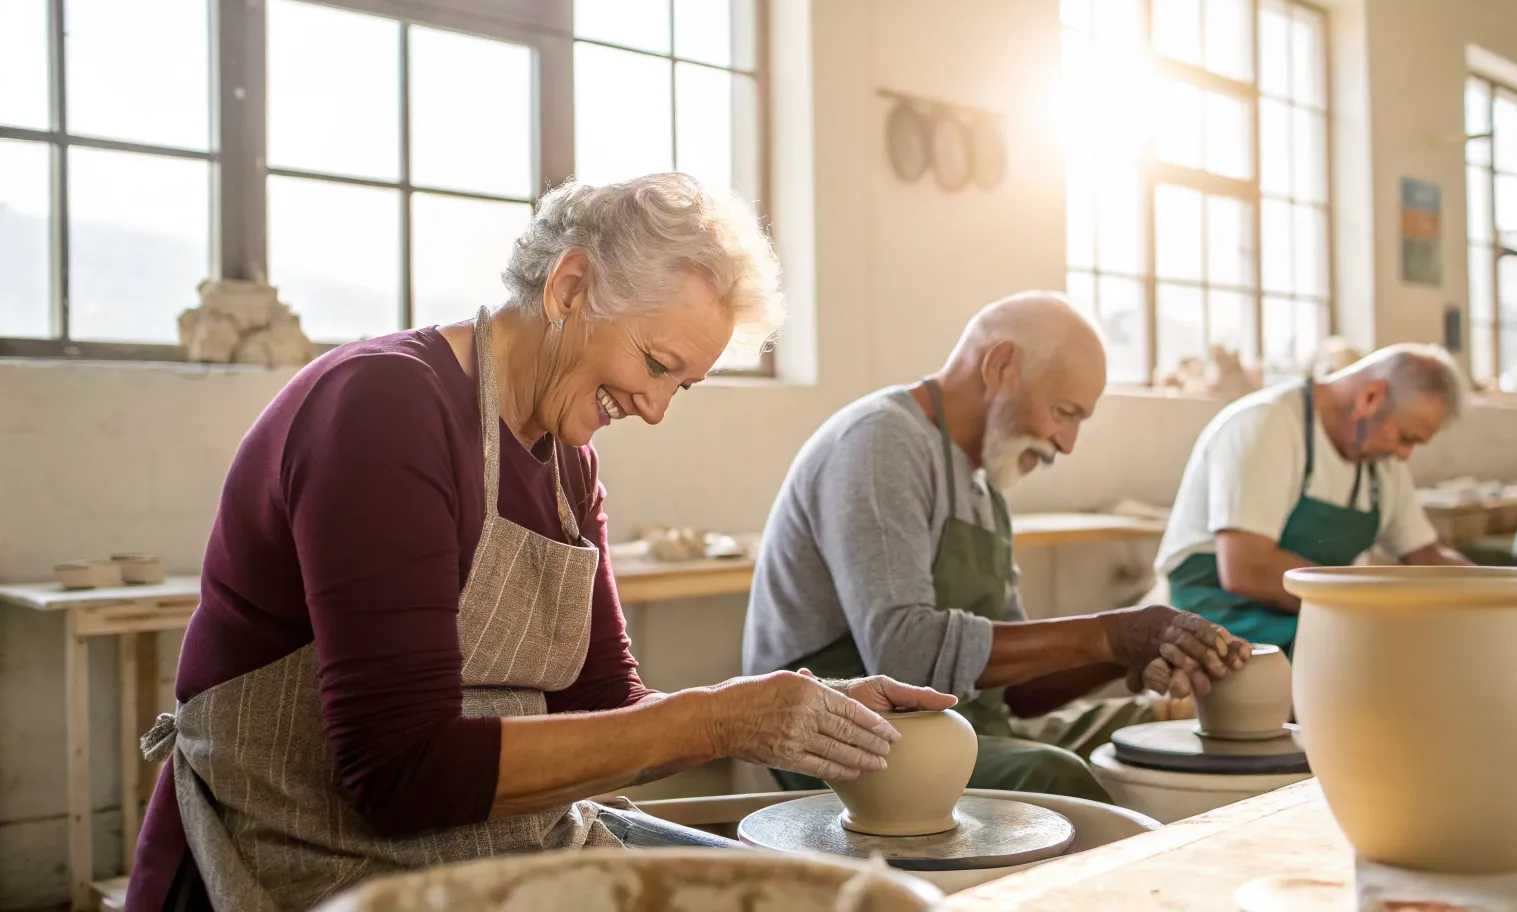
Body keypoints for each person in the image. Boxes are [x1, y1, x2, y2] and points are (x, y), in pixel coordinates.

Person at [128, 174, 956, 912]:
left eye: (684, 385)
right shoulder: (384, 408)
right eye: (657, 363)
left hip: (501, 843)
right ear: (569, 286)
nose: (658, 408)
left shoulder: (569, 465)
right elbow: (398, 775)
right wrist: (721, 724)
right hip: (311, 858)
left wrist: (806, 706)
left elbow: (605, 710)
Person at [742, 292, 1250, 802]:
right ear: (1001, 366)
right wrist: (1108, 635)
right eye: (1063, 412)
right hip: (848, 741)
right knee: (1054, 779)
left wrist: (1127, 655)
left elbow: (1017, 695)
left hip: (962, 727)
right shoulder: (880, 443)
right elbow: (905, 654)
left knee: (1170, 736)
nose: (1067, 443)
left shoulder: (986, 489)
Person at [1156, 344, 1474, 653]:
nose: (1405, 455)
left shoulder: (1382, 461)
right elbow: (1247, 569)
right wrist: (1367, 608)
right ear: (1371, 397)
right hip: (1218, 617)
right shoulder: (1268, 423)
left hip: (1310, 613)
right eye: (1405, 438)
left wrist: (1500, 591)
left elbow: (1426, 559)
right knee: (1373, 654)